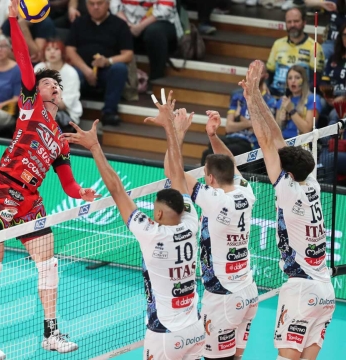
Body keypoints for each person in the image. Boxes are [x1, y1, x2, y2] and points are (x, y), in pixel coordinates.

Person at [0, 0, 101, 358]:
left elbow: (68, 185)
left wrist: (83, 193)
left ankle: (51, 333)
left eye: (53, 85)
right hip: (1, 194)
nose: (50, 86)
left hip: (30, 200)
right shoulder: (28, 109)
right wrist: (14, 19)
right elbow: (26, 63)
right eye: (45, 83)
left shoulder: (61, 140)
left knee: (49, 264)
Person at [64, 89, 205, 359]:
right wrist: (172, 131)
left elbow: (116, 189)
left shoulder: (151, 233)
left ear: (161, 214)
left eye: (154, 209)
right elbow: (177, 172)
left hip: (164, 334)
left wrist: (94, 147)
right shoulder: (190, 221)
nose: (151, 213)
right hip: (195, 329)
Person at [240, 60, 335, 360]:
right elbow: (277, 142)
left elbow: (266, 140)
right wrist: (254, 95)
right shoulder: (312, 184)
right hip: (326, 292)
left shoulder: (287, 189)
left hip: (301, 290)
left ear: (288, 175)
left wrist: (250, 97)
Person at [173, 109, 259, 360]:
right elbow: (230, 163)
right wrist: (213, 135)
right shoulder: (245, 191)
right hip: (248, 292)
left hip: (223, 297)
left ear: (209, 178)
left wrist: (176, 132)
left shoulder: (216, 200)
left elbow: (175, 171)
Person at [34, 38, 83, 127]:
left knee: (45, 116)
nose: (52, 52)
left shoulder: (71, 72)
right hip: (40, 108)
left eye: (56, 49)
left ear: (62, 52)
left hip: (65, 113)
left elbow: (63, 105)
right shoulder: (39, 68)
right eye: (48, 49)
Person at [273, 65, 321, 139]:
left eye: (297, 78)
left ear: (304, 80)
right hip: (284, 142)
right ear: (287, 82)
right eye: (290, 78)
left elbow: (307, 129)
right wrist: (282, 121)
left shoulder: (313, 99)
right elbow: (276, 131)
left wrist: (292, 110)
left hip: (302, 144)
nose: (293, 81)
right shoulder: (283, 100)